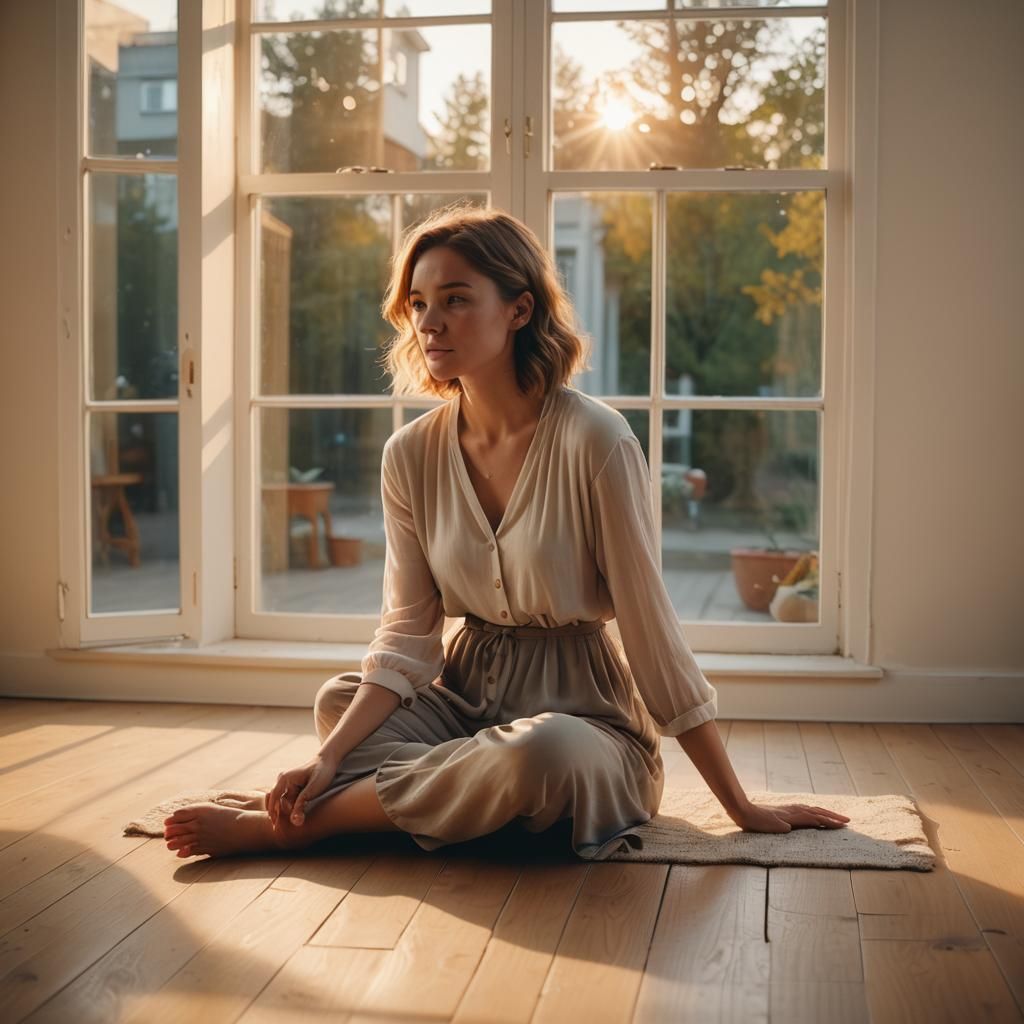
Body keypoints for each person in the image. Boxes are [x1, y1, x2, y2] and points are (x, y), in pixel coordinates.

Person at [163, 205, 850, 860]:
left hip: (586, 728)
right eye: (419, 303)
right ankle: (463, 795)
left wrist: (739, 805)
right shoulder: (410, 454)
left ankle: (302, 828)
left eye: (456, 299)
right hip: (463, 704)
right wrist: (329, 755)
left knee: (538, 752)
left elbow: (652, 634)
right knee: (340, 703)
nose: (430, 323)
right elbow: (406, 635)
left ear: (519, 309)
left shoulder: (597, 440)